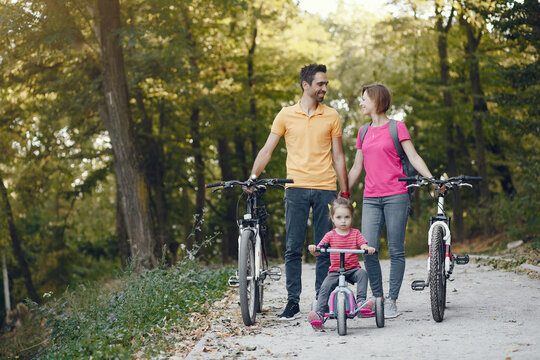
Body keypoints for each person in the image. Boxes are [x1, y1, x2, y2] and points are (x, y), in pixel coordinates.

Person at [246, 63, 349, 320]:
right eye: (320, 84)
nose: (325, 87)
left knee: (325, 248)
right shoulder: (285, 115)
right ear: (306, 85)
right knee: (293, 248)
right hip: (296, 187)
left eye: (326, 83)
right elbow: (268, 150)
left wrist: (345, 189)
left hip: (326, 188)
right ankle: (293, 302)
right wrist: (252, 176)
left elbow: (338, 155)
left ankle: (322, 300)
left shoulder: (332, 116)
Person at [348, 84, 437, 319]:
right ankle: (378, 298)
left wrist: (432, 179)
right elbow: (357, 166)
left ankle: (392, 300)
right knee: (368, 250)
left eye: (364, 99)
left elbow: (413, 156)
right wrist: (343, 192)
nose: (361, 103)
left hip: (396, 195)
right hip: (370, 198)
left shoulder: (397, 127)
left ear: (377, 100)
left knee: (396, 249)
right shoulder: (363, 132)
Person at [306, 197, 376, 330]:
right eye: (339, 217)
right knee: (325, 287)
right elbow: (319, 250)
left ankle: (360, 302)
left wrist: (366, 248)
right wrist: (314, 249)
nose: (343, 221)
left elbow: (363, 244)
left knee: (363, 274)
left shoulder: (355, 233)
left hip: (353, 269)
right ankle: (320, 313)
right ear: (332, 218)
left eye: (346, 217)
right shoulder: (330, 235)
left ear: (352, 217)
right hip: (335, 271)